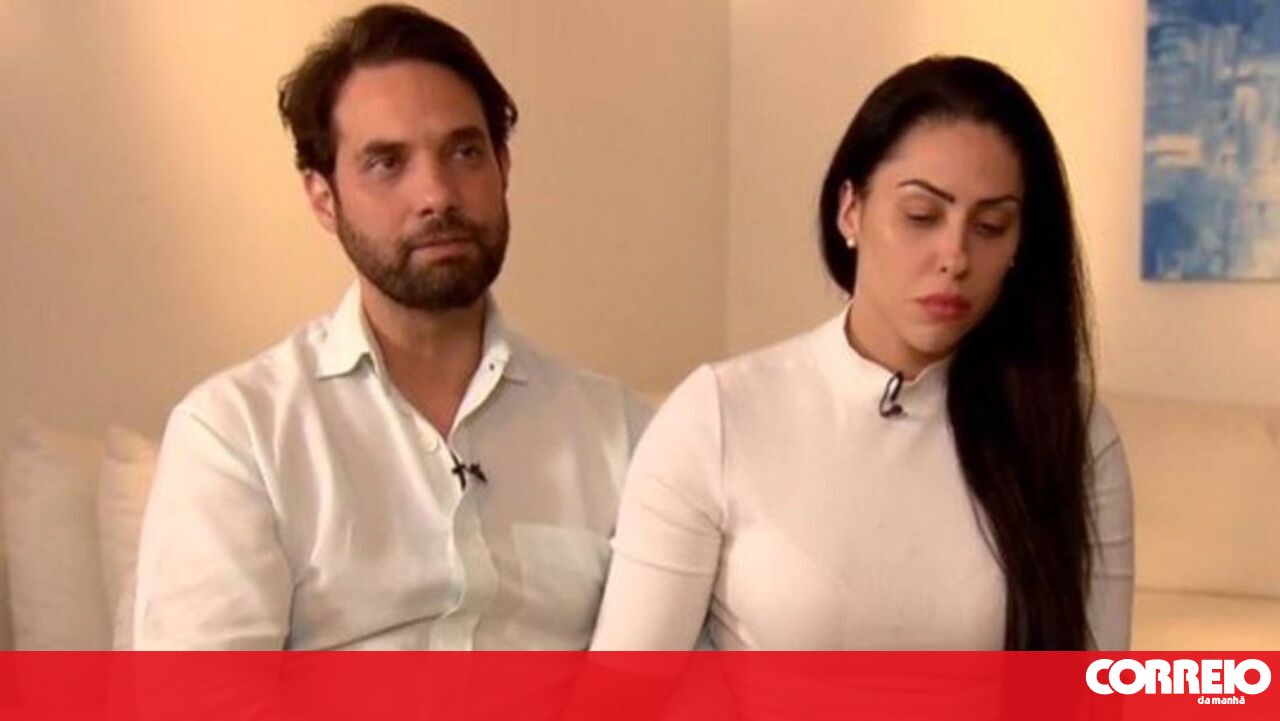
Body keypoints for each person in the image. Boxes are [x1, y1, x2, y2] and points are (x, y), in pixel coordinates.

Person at [133, 4, 649, 651]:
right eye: (386, 163)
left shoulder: (618, 432)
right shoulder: (240, 434)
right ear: (324, 198)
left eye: (465, 152)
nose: (437, 195)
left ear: (503, 168)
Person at [590, 56, 1134, 651]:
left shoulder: (1070, 433)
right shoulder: (719, 414)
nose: (955, 257)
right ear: (850, 209)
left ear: (1019, 245)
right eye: (921, 215)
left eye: (990, 226)